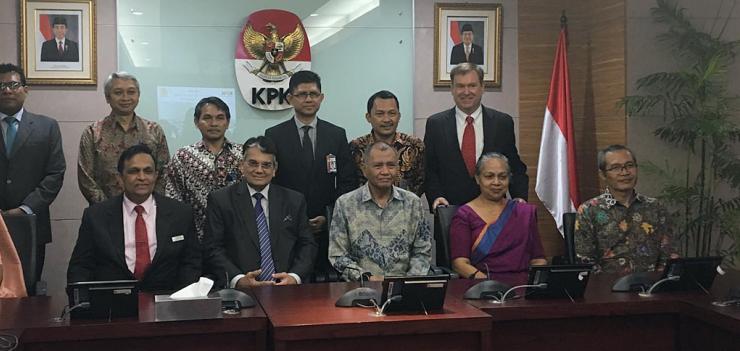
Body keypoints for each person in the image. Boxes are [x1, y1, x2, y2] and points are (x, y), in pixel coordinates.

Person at [67, 144, 201, 292]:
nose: (142, 177)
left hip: (166, 305)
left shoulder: (180, 213)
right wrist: (84, 307)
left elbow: (191, 263)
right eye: (134, 171)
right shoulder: (96, 216)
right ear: (120, 177)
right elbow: (80, 267)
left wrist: (181, 302)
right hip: (113, 306)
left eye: (148, 171)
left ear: (156, 176)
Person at [264, 70, 356, 279]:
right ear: (290, 98)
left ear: (321, 98)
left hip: (327, 227)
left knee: (326, 290)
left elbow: (347, 181)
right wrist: (295, 218)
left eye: (314, 94)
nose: (309, 99)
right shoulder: (274, 135)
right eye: (302, 94)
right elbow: (272, 182)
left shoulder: (336, 134)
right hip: (287, 228)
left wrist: (329, 215)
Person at [203, 136, 317, 290]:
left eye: (266, 165)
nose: (259, 170)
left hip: (288, 290)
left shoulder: (294, 200)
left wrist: (294, 277)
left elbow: (308, 244)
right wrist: (238, 279)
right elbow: (213, 248)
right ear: (241, 166)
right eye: (253, 163)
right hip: (240, 292)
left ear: (274, 170)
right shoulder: (221, 201)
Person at [424, 63, 528, 210]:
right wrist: (436, 197)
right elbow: (430, 170)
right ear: (452, 89)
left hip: (494, 214)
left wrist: (519, 197)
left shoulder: (502, 123)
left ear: (482, 88)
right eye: (460, 86)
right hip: (450, 212)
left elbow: (514, 167)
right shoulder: (436, 124)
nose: (466, 92)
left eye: (472, 85)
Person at [0, 63, 65, 286]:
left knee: (28, 291)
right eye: (1, 86)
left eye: (13, 84)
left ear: (26, 89)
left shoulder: (47, 127)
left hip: (32, 224)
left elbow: (55, 174)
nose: (6, 90)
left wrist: (25, 209)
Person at [330, 142, 431, 281]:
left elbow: (422, 252)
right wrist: (366, 278)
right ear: (364, 170)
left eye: (391, 165)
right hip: (360, 288)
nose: (385, 171)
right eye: (378, 166)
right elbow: (338, 255)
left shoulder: (413, 203)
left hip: (406, 290)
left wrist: (408, 283)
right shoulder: (345, 204)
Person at [575, 145, 677, 274]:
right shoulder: (589, 210)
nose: (625, 172)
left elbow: (668, 254)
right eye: (616, 168)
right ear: (603, 174)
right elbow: (585, 262)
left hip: (651, 286)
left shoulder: (656, 208)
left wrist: (658, 284)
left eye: (629, 165)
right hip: (606, 288)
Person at [449, 152, 546, 287]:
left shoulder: (524, 212)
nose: (496, 182)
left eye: (502, 177)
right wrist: (489, 284)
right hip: (482, 288)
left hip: (523, 287)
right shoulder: (464, 215)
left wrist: (533, 285)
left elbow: (538, 259)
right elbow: (460, 264)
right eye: (489, 176)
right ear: (478, 179)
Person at [78, 71, 170, 205]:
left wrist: (148, 205)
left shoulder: (154, 131)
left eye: (131, 92)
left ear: (138, 96)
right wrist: (110, 209)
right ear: (107, 97)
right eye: (118, 92)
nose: (125, 97)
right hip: (105, 215)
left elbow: (164, 174)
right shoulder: (92, 133)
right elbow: (86, 179)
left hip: (146, 212)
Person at [164, 97, 242, 240]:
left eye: (220, 118)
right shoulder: (183, 157)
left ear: (228, 122)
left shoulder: (242, 156)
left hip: (237, 238)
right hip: (196, 238)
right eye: (207, 118)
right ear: (196, 122)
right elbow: (173, 200)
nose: (214, 123)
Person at [349, 90, 424, 197]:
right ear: (368, 117)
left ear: (399, 116)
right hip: (363, 211)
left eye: (392, 113)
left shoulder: (414, 146)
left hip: (405, 209)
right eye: (380, 114)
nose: (386, 119)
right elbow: (349, 184)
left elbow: (421, 182)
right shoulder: (356, 147)